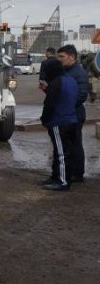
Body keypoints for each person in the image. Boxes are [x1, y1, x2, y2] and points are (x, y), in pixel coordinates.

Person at [39, 58, 78, 191]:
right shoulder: (71, 80)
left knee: (61, 153)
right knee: (63, 151)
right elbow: (65, 97)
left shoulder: (56, 83)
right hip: (71, 120)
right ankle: (56, 176)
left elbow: (50, 104)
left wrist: (44, 120)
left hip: (58, 122)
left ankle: (62, 181)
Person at [57, 44, 88, 183]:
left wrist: (65, 105)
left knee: (75, 144)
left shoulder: (79, 73)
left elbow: (81, 96)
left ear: (71, 56)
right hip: (65, 113)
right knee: (66, 145)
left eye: (62, 56)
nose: (60, 59)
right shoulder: (65, 71)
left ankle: (77, 173)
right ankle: (68, 172)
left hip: (74, 114)